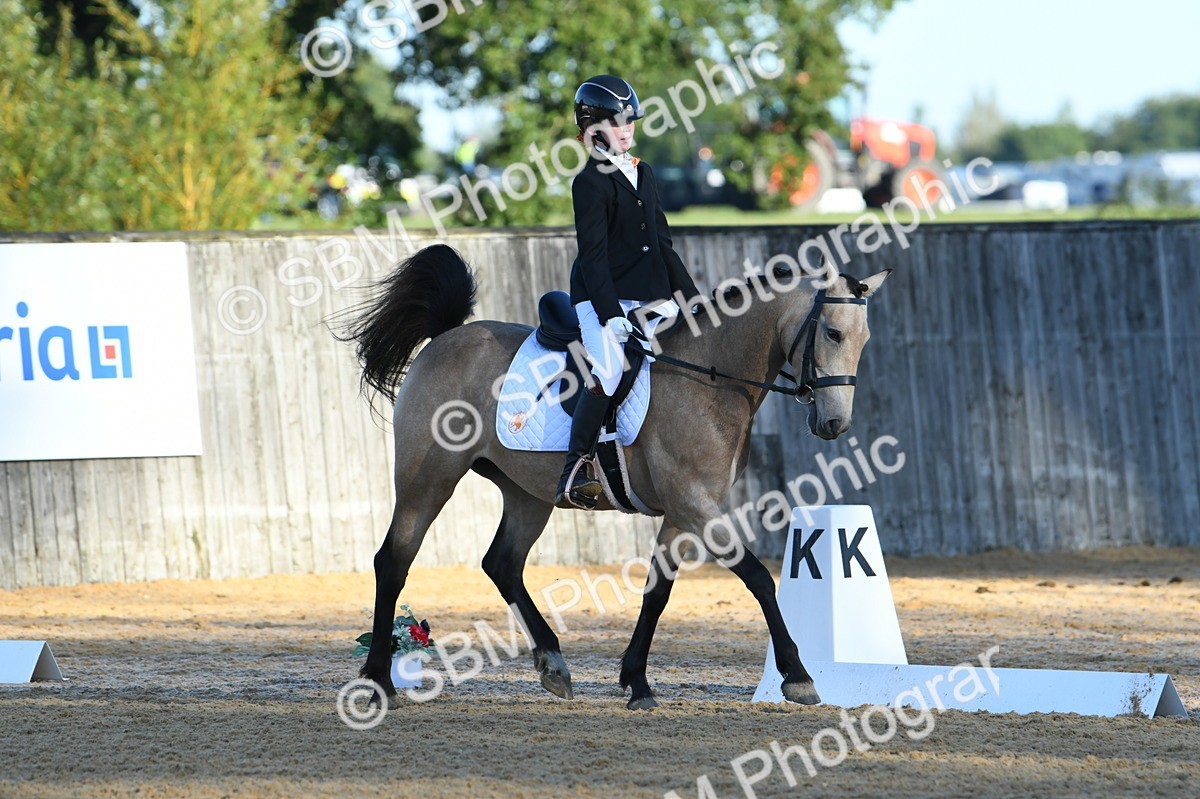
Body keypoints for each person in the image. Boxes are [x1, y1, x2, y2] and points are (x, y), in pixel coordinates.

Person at [554, 74, 702, 510]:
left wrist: (693, 301)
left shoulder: (645, 174)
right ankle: (575, 470)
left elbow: (662, 245)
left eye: (630, 122)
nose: (628, 130)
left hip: (649, 295)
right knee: (609, 372)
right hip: (600, 299)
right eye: (619, 123)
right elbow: (593, 257)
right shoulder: (590, 182)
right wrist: (608, 315)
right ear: (594, 130)